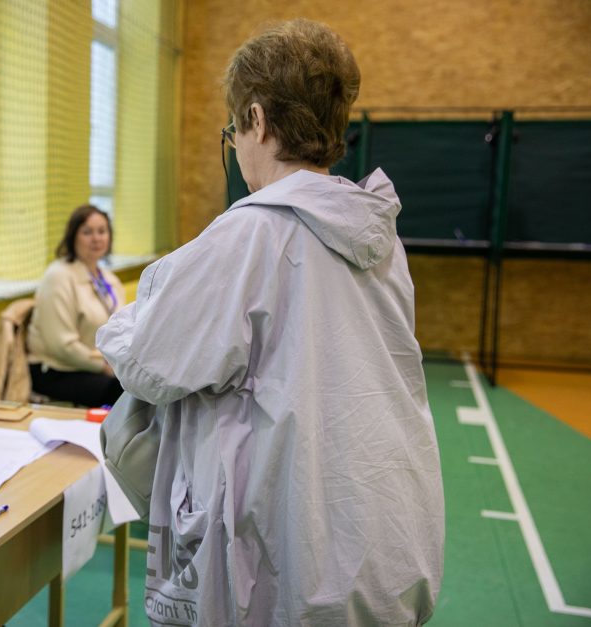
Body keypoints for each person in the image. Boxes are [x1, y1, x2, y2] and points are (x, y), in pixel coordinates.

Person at [97, 19, 444, 626]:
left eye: (233, 130)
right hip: (384, 534)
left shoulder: (252, 232)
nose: (234, 145)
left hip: (290, 556)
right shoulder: (380, 235)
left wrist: (119, 327)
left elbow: (153, 364)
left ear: (256, 120)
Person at [27, 204, 126, 407]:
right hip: (58, 370)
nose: (96, 238)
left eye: (102, 231)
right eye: (87, 232)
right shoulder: (58, 276)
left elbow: (122, 329)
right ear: (73, 237)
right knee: (124, 393)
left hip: (98, 366)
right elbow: (62, 346)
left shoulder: (110, 280)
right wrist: (104, 366)